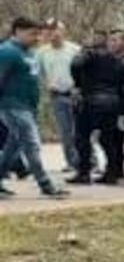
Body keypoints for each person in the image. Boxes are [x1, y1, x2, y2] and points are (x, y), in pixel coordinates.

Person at [0, 17, 68, 199]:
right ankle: (46, 185)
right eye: (32, 34)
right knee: (32, 144)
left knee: (12, 147)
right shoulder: (7, 52)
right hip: (12, 106)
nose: (36, 38)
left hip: (28, 106)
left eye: (38, 34)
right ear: (18, 31)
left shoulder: (29, 53)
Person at [68, 29, 124, 185]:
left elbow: (75, 65)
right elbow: (123, 83)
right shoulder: (117, 60)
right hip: (112, 103)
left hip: (90, 101)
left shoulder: (88, 55)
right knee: (108, 139)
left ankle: (84, 173)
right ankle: (112, 173)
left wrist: (78, 84)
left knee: (82, 137)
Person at [36, 19, 82, 172]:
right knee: (65, 132)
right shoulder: (42, 52)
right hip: (57, 96)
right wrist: (47, 85)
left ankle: (89, 161)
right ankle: (72, 162)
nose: (52, 33)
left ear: (63, 31)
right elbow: (38, 73)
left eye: (55, 29)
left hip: (75, 95)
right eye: (48, 30)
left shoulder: (75, 50)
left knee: (80, 130)